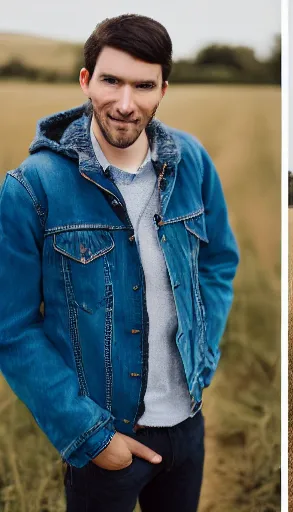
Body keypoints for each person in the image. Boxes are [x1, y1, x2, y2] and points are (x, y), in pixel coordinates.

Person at [0, 14, 239, 512]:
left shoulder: (190, 161)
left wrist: (205, 354)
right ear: (86, 80)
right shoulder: (31, 187)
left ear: (163, 90)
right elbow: (13, 328)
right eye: (111, 80)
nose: (126, 105)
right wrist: (90, 436)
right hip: (105, 443)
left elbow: (217, 263)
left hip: (187, 426)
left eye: (143, 86)